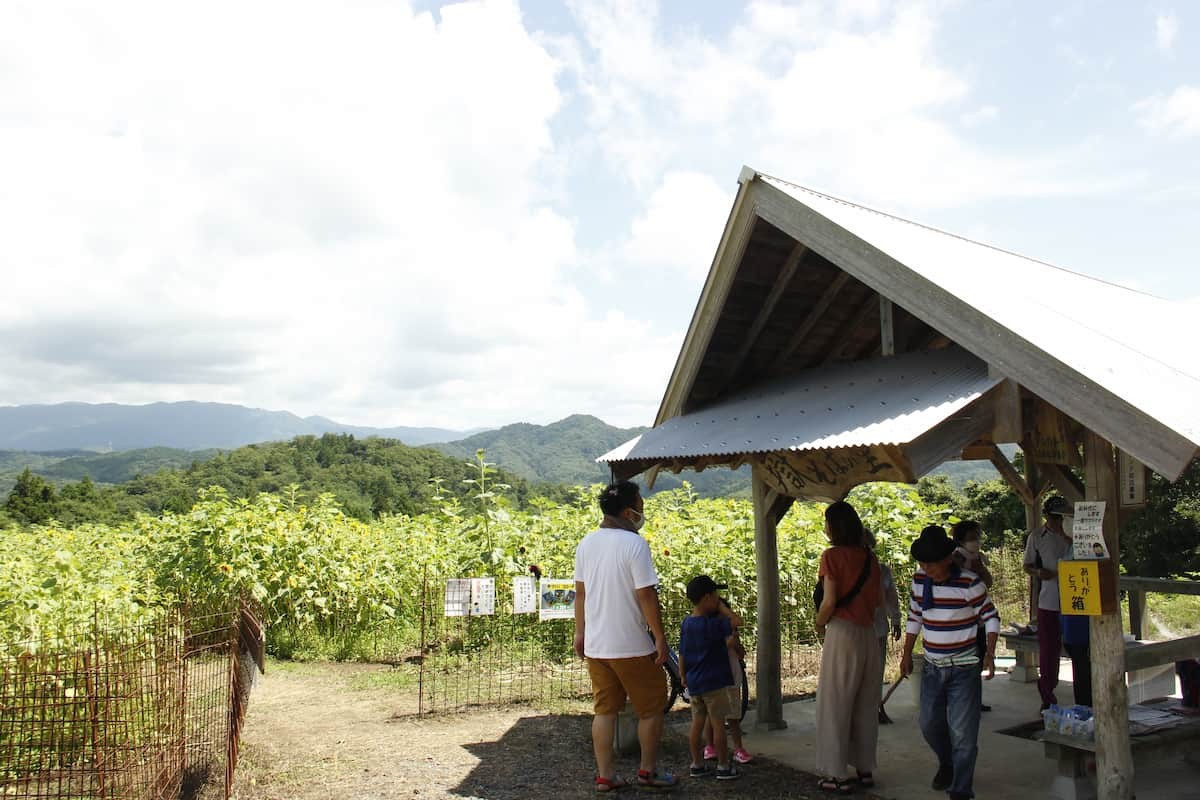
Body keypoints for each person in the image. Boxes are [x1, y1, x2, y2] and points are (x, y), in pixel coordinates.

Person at [574, 481, 676, 792]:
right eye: (640, 506)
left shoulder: (586, 544)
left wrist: (580, 633)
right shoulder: (635, 544)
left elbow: (580, 594)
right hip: (631, 644)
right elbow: (645, 594)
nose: (642, 512)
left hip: (597, 645)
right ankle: (648, 771)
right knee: (651, 707)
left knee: (605, 709)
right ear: (628, 511)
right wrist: (659, 637)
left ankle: (605, 776)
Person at [900, 525, 1001, 800]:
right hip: (933, 666)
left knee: (963, 734)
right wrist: (906, 653)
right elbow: (915, 616)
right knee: (929, 724)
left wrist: (990, 654)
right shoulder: (920, 580)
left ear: (947, 559)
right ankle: (947, 762)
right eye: (922, 563)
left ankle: (961, 790)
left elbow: (991, 617)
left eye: (931, 563)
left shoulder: (969, 583)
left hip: (964, 667)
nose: (926, 568)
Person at [814, 501, 882, 795]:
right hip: (868, 635)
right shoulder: (870, 558)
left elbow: (829, 601)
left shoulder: (831, 557)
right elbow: (877, 600)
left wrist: (819, 622)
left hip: (841, 633)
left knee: (835, 703)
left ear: (834, 527)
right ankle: (864, 768)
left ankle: (836, 773)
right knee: (866, 704)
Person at [679, 576, 743, 781]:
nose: (717, 599)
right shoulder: (712, 625)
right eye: (715, 595)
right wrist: (724, 609)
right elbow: (737, 621)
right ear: (707, 597)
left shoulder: (687, 624)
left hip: (695, 682)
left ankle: (696, 764)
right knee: (718, 725)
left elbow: (682, 653)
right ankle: (723, 766)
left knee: (697, 723)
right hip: (714, 682)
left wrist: (683, 675)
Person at [1023, 496, 1074, 710]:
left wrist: (1069, 537)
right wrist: (1038, 572)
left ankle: (1086, 696)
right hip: (1049, 600)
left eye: (1063, 517)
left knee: (1079, 648)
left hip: (1076, 598)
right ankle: (1047, 698)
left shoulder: (1074, 535)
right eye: (1056, 517)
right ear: (1047, 517)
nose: (1060, 521)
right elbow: (1027, 565)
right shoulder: (1037, 536)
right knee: (1048, 652)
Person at [701, 599, 753, 765]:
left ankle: (737, 748)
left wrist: (735, 643)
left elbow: (741, 653)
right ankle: (711, 747)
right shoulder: (707, 631)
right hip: (717, 679)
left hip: (731, 679)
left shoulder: (730, 631)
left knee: (733, 716)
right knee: (713, 715)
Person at [951, 520, 994, 713]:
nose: (975, 542)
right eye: (971, 538)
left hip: (979, 618)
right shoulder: (956, 558)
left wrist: (980, 568)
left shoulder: (978, 558)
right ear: (960, 540)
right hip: (963, 618)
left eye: (977, 537)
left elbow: (988, 581)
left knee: (977, 658)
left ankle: (974, 699)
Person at [863, 529, 902, 724]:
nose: (866, 550)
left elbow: (891, 598)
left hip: (877, 628)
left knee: (876, 672)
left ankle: (877, 708)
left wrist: (895, 619)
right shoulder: (848, 570)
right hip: (856, 631)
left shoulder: (882, 570)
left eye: (869, 547)